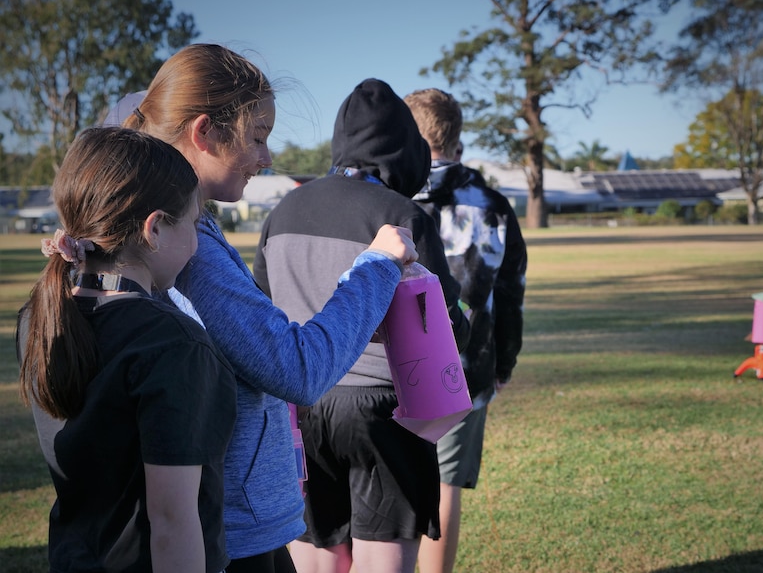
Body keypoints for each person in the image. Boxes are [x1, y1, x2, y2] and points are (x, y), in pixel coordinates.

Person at [120, 45, 420, 573]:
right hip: (234, 535)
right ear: (204, 132)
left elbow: (257, 341)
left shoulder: (189, 231)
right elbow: (297, 369)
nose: (268, 157)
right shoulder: (191, 249)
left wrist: (353, 323)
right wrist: (377, 265)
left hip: (230, 521)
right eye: (257, 137)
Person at [253, 78, 471, 573]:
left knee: (314, 560)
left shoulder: (282, 211)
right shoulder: (402, 213)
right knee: (383, 560)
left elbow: (261, 310)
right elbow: (446, 324)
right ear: (402, 148)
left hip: (303, 407)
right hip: (386, 409)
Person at [16, 126, 237, 573]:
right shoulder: (174, 343)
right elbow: (173, 522)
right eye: (193, 225)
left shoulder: (39, 317)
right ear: (154, 229)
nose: (195, 244)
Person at [404, 88, 527, 573]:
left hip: (387, 370)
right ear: (456, 137)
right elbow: (512, 293)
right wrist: (505, 363)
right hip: (465, 368)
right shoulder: (492, 203)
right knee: (445, 486)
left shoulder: (383, 194)